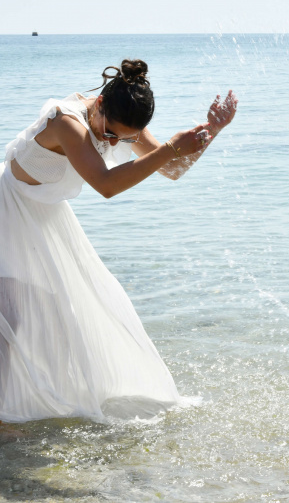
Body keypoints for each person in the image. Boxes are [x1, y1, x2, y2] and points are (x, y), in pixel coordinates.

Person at [0, 59, 237, 422]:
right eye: (111, 134)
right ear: (98, 105)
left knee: (63, 312)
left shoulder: (121, 123)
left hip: (45, 217)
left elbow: (172, 170)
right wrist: (171, 146)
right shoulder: (66, 122)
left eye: (124, 140)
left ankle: (33, 401)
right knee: (11, 315)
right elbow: (106, 185)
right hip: (9, 210)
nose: (113, 143)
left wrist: (213, 131)